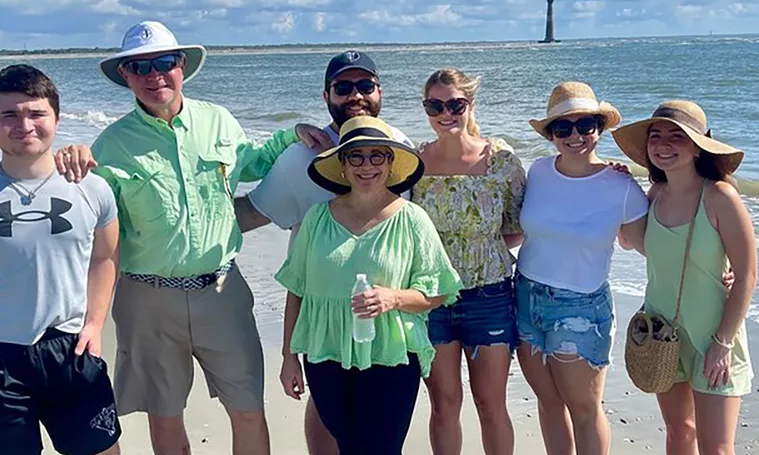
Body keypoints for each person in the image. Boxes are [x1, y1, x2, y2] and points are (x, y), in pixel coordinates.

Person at [53, 20, 329, 455]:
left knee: (248, 408)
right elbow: (85, 223)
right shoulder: (109, 145)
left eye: (164, 63)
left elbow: (254, 164)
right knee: (165, 415)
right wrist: (69, 157)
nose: (154, 75)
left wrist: (293, 135)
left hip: (222, 291)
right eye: (139, 67)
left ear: (182, 66)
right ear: (125, 75)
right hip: (147, 298)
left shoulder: (217, 120)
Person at [0, 65, 122, 455]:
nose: (24, 125)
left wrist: (95, 323)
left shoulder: (94, 190)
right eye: (9, 115)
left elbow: (105, 256)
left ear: (57, 119)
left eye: (36, 113)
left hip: (72, 348)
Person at [235, 49, 412, 455]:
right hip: (320, 311)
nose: (356, 95)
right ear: (326, 95)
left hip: (388, 315)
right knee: (324, 399)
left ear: (380, 91)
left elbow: (421, 230)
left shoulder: (399, 148)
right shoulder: (300, 157)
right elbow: (249, 215)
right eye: (344, 87)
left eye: (365, 85)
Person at [275, 116, 463, 455]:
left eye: (377, 155)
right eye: (356, 157)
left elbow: (437, 292)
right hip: (325, 352)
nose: (367, 165)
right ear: (343, 165)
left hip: (390, 354)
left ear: (391, 163)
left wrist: (393, 298)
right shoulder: (317, 218)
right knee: (347, 446)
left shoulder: (412, 219)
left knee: (380, 449)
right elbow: (296, 289)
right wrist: (289, 357)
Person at [613, 100, 756, 455]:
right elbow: (634, 243)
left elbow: (748, 276)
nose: (664, 144)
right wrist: (619, 187)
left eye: (677, 136)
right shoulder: (655, 194)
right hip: (662, 333)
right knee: (679, 434)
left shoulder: (720, 196)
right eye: (656, 136)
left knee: (717, 447)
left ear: (698, 146)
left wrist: (722, 344)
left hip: (713, 337)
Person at [515, 81, 648, 455]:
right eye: (563, 127)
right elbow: (518, 229)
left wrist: (719, 267)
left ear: (599, 128)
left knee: (584, 410)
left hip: (581, 308)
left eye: (585, 125)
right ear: (551, 134)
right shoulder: (538, 171)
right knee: (549, 402)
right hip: (525, 297)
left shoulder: (621, 186)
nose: (575, 136)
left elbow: (648, 246)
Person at [410, 68, 526, 455]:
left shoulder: (502, 162)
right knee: (444, 405)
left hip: (490, 297)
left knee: (490, 405)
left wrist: (479, 248)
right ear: (426, 108)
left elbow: (518, 226)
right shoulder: (413, 164)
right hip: (432, 300)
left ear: (470, 105)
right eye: (435, 105)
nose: (446, 113)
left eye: (455, 104)